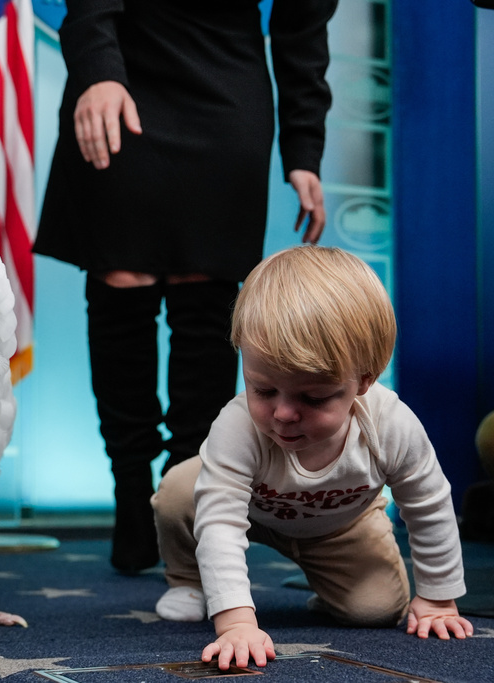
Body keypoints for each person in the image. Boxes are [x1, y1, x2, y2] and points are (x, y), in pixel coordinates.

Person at [33, 0, 337, 575]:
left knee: (206, 303)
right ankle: (129, 489)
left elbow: (304, 22)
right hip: (117, 74)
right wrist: (96, 69)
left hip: (225, 89)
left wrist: (303, 149)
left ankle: (181, 496)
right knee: (123, 282)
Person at [151, 245, 474, 671]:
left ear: (363, 380)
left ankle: (323, 584)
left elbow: (429, 504)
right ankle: (189, 579)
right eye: (263, 390)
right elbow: (221, 521)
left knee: (375, 610)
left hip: (340, 523)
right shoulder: (237, 425)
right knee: (178, 491)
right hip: (248, 508)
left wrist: (436, 596)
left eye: (313, 396)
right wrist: (235, 622)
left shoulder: (391, 424)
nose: (283, 413)